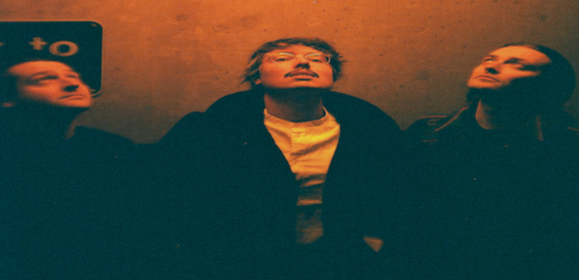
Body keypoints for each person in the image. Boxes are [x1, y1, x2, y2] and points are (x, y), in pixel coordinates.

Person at [159, 37, 403, 280]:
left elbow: (398, 191)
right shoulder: (213, 129)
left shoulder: (370, 129)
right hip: (242, 264)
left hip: (340, 262)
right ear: (257, 77)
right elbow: (172, 196)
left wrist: (375, 241)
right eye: (283, 58)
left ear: (333, 76)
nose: (303, 63)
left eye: (317, 59)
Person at [402, 44, 579, 280]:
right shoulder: (427, 135)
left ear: (549, 87)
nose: (491, 66)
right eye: (489, 59)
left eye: (518, 65)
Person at [0, 59, 140, 280]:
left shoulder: (112, 147)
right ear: (7, 99)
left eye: (73, 76)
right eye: (45, 79)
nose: (73, 84)